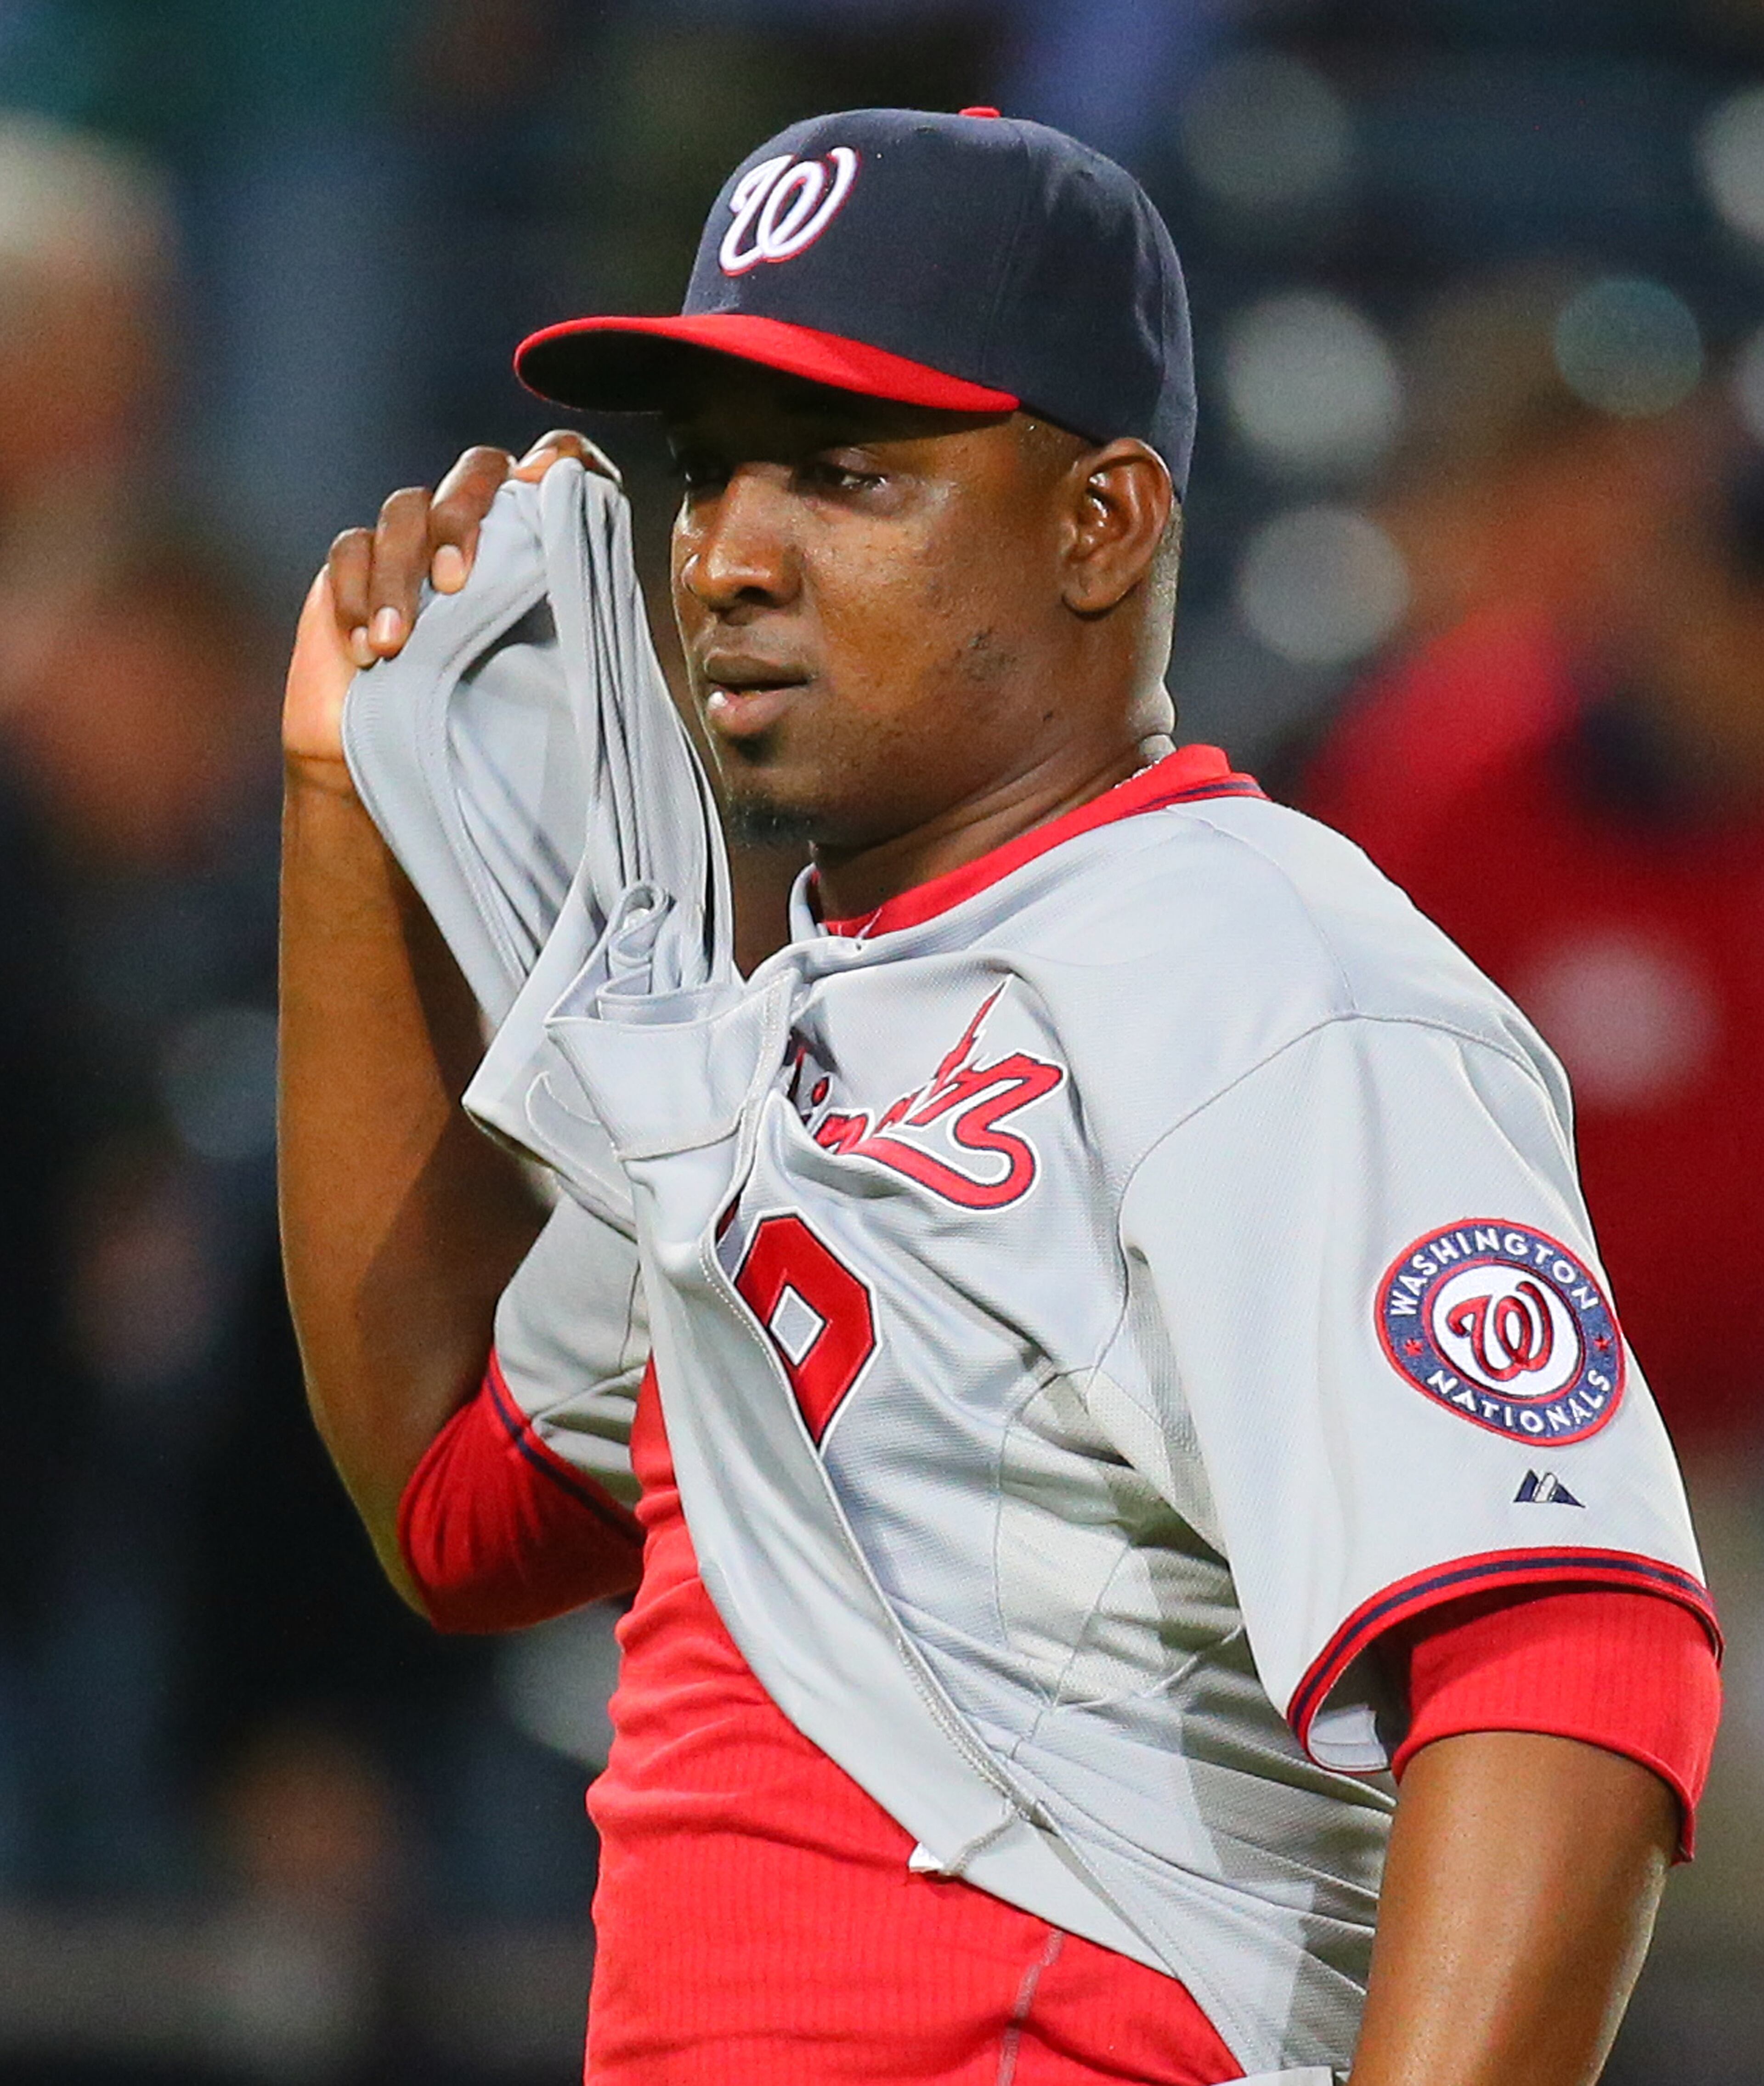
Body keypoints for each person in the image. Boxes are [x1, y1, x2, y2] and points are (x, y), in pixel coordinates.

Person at [279, 110, 1720, 2084]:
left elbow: (1569, 1662)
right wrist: (344, 816)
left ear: (1101, 520)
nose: (730, 555)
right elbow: (462, 1505)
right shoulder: (762, 1040)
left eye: (846, 473)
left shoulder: (1265, 980)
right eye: (708, 475)